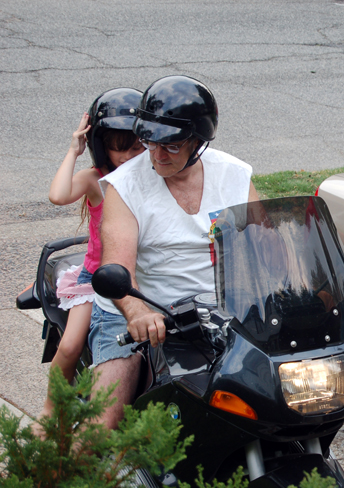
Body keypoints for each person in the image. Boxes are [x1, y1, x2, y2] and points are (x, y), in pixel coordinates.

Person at [88, 75, 259, 429]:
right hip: (139, 317)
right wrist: (137, 312)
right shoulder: (125, 187)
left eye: (171, 145)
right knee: (102, 429)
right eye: (150, 141)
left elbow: (266, 246)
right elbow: (117, 264)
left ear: (197, 141)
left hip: (220, 315)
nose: (157, 154)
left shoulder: (234, 176)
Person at [40, 88, 144, 422]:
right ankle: (51, 411)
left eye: (136, 147)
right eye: (118, 149)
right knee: (70, 347)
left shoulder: (152, 179)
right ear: (103, 149)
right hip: (96, 280)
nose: (128, 156)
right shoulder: (96, 181)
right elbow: (58, 195)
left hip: (139, 277)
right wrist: (74, 149)